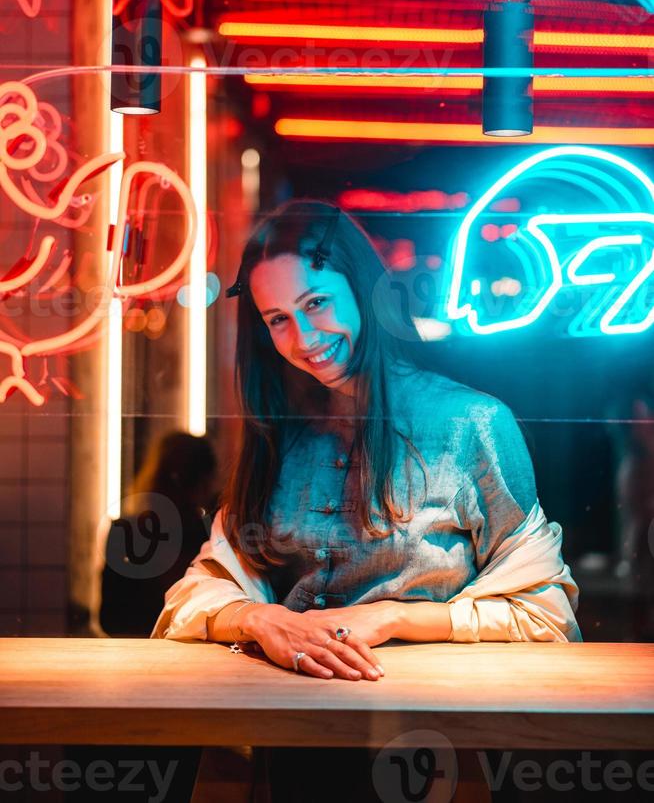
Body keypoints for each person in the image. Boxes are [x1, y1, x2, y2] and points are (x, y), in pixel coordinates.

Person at [151, 199, 582, 802]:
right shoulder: (279, 434)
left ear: (363, 290)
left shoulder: (470, 423)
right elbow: (199, 591)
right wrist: (261, 618)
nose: (302, 338)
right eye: (277, 319)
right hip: (283, 750)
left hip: (426, 754)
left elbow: (546, 612)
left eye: (316, 303)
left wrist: (395, 617)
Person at [100, 430, 218, 637]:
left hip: (135, 654)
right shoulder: (210, 536)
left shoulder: (126, 532)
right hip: (195, 652)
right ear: (204, 481)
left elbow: (111, 620)